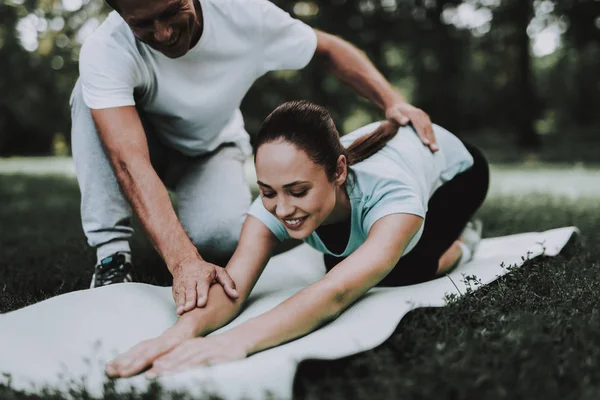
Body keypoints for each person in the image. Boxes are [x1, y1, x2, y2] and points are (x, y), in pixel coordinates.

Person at [70, 0, 439, 315]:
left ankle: (189, 232)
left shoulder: (243, 13)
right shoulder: (107, 48)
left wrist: (392, 100)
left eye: (171, 11)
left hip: (211, 149)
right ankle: (112, 256)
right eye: (143, 23)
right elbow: (129, 162)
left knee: (219, 239)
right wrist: (183, 262)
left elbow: (326, 49)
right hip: (143, 144)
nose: (164, 33)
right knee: (88, 98)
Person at [104, 100, 489, 378]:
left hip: (458, 172)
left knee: (402, 269)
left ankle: (465, 239)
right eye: (268, 191)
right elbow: (233, 285)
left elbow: (335, 293)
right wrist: (178, 334)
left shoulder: (393, 198)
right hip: (386, 176)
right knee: (340, 260)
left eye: (298, 191)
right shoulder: (271, 204)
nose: (282, 209)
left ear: (338, 171)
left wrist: (236, 342)